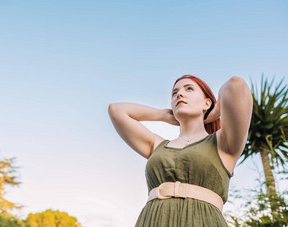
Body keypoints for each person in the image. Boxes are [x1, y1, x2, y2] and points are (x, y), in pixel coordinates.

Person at [108, 74, 253, 226]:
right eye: (174, 93)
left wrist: (215, 112)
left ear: (206, 103)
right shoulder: (156, 145)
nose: (180, 94)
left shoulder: (223, 143)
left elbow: (236, 85)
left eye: (189, 89)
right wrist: (164, 115)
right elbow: (116, 110)